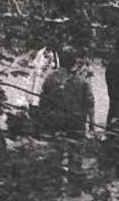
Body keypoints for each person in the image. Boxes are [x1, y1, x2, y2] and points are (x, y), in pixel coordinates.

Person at [37, 48, 95, 182]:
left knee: (55, 151)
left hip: (55, 119)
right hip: (76, 121)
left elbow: (43, 101)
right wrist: (92, 123)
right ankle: (74, 183)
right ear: (75, 61)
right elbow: (89, 102)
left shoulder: (51, 78)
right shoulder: (82, 80)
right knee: (75, 152)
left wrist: (42, 119)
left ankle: (54, 182)